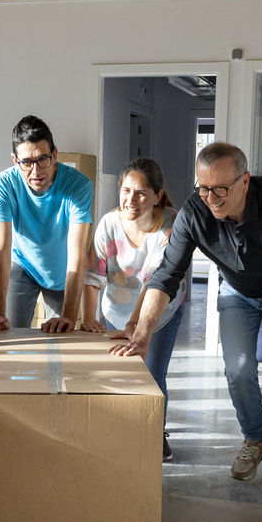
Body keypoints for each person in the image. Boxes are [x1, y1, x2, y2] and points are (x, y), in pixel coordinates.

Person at [110, 142, 262, 493]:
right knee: (238, 370)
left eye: (221, 189)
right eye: (204, 187)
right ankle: (255, 440)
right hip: (238, 293)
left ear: (245, 181)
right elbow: (167, 273)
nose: (211, 198)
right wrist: (143, 334)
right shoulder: (194, 213)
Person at [81, 158, 186, 461]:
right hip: (115, 310)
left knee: (151, 373)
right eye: (126, 190)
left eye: (141, 193)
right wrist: (89, 320)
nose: (131, 200)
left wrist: (137, 329)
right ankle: (121, 427)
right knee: (115, 373)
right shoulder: (109, 223)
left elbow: (154, 284)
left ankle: (156, 431)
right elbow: (94, 276)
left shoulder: (170, 226)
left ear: (157, 195)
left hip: (159, 313)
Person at [0, 115, 93, 334]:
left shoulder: (79, 186)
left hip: (62, 271)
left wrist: (68, 316)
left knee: (59, 339)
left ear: (55, 154)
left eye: (43, 159)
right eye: (27, 162)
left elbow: (77, 254)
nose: (36, 171)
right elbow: (1, 250)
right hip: (22, 265)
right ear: (15, 160)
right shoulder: (0, 185)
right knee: (10, 334)